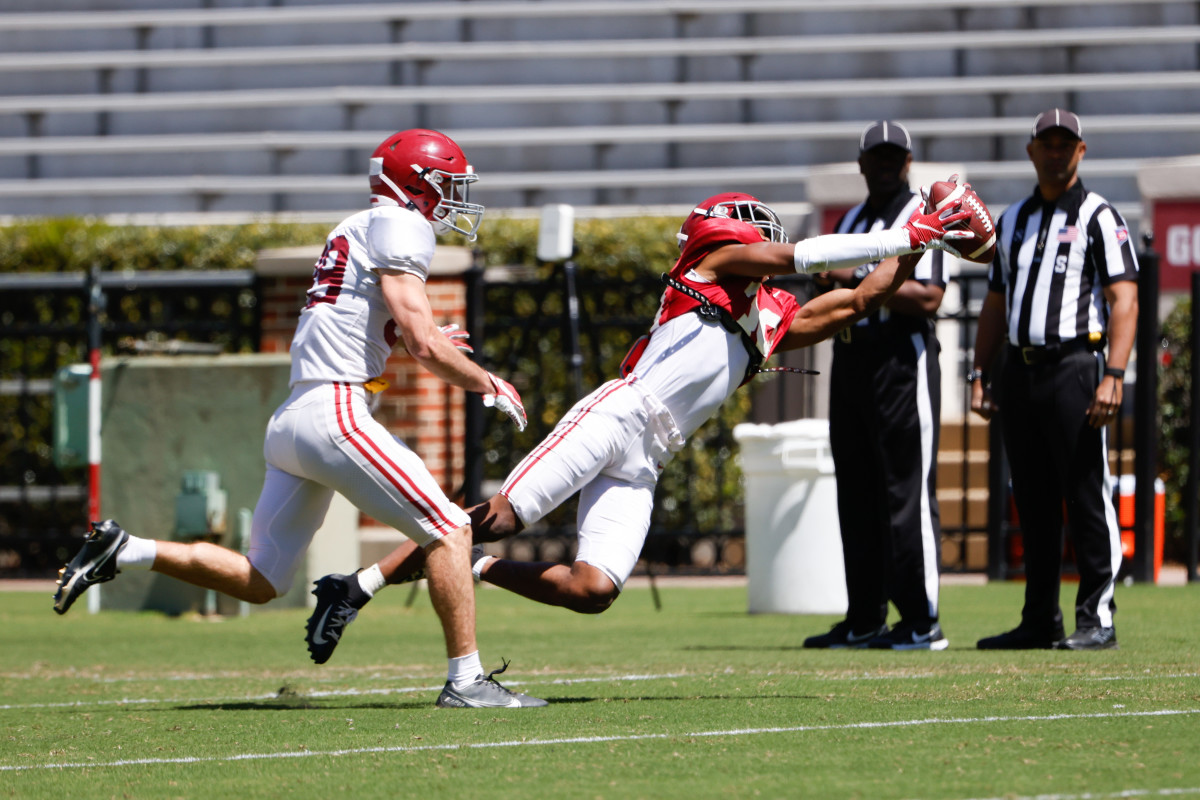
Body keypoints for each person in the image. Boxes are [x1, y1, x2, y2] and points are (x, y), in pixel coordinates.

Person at [304, 186, 977, 664]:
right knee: (505, 514)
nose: (761, 234)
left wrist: (922, 241)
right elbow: (796, 258)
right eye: (752, 224)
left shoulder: (764, 321)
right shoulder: (711, 264)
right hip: (618, 414)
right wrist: (906, 229)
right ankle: (357, 586)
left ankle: (469, 566)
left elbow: (860, 297)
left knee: (590, 590)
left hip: (650, 455)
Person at [52, 128, 548, 708]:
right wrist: (488, 380)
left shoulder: (353, 227)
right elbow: (420, 342)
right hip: (336, 411)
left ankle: (125, 549)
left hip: (295, 418)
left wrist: (427, 335)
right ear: (419, 182)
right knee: (450, 529)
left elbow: (368, 319)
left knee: (261, 578)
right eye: (447, 186)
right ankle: (466, 682)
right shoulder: (401, 223)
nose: (453, 201)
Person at [971, 109, 1138, 651]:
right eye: (1047, 142)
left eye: (1067, 144)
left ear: (1082, 152)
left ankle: (1097, 617)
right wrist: (980, 371)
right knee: (1034, 499)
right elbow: (995, 302)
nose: (1056, 152)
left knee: (1086, 492)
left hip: (1074, 367)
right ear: (1031, 150)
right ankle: (1040, 618)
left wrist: (1114, 373)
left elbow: (1125, 299)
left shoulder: (1097, 215)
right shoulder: (1013, 217)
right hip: (1019, 371)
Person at [803, 120, 948, 651]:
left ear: (909, 161)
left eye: (895, 155)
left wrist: (852, 280)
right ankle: (865, 616)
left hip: (899, 359)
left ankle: (921, 618)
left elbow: (929, 295)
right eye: (877, 156)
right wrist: (829, 280)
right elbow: (831, 281)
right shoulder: (853, 219)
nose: (886, 164)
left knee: (904, 491)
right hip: (851, 358)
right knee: (857, 493)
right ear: (861, 164)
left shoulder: (920, 216)